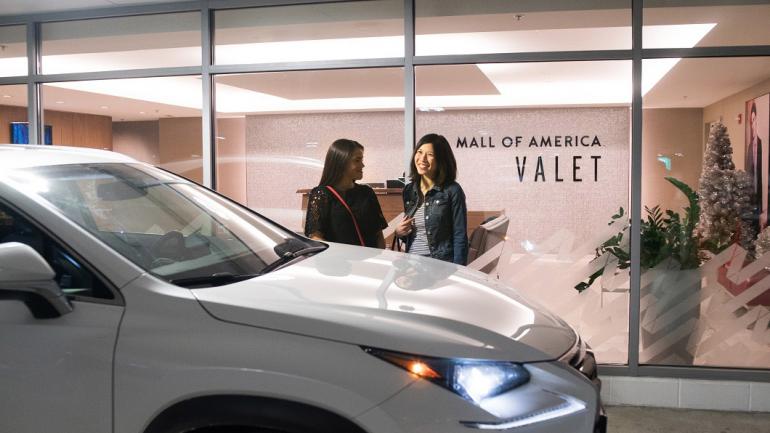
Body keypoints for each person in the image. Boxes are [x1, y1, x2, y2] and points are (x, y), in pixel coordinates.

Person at [394, 133, 469, 265]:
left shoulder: (452, 190)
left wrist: (458, 271)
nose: (422, 158)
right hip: (411, 264)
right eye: (419, 152)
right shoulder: (409, 190)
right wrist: (400, 232)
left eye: (430, 154)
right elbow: (413, 235)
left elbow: (460, 236)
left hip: (439, 266)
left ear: (441, 160)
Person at [304, 138, 387, 248]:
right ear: (341, 162)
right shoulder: (321, 194)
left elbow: (378, 234)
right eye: (357, 160)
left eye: (361, 160)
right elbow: (315, 237)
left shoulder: (367, 192)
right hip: (340, 262)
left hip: (370, 261)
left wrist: (380, 259)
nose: (362, 165)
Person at [746, 101, 765, 231]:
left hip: (762, 193)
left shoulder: (763, 144)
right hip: (751, 194)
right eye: (751, 121)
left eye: (755, 120)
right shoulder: (749, 147)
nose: (754, 124)